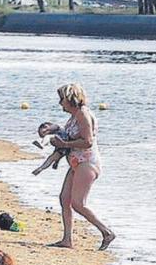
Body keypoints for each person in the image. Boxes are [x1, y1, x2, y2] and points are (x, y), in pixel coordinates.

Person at [48, 83, 116, 251]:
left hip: (87, 162)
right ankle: (67, 239)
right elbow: (70, 134)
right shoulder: (74, 115)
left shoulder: (83, 114)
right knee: (65, 198)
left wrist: (64, 143)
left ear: (71, 99)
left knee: (78, 203)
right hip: (76, 162)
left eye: (61, 99)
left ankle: (106, 232)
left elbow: (87, 141)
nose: (60, 103)